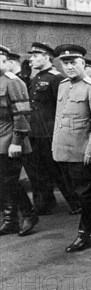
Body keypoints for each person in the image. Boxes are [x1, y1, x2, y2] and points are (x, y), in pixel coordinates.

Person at [52, 44, 91, 253]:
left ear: (83, 63)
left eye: (73, 62)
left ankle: (83, 235)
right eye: (65, 63)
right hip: (63, 150)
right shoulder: (63, 85)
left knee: (85, 195)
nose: (69, 67)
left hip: (83, 152)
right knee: (78, 195)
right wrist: (55, 146)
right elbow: (60, 119)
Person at [24, 42, 80, 216]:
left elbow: (63, 107)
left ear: (46, 57)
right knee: (38, 171)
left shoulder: (56, 78)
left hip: (50, 133)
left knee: (59, 171)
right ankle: (45, 203)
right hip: (35, 133)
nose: (31, 59)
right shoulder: (37, 78)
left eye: (35, 55)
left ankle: (76, 203)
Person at [0, 45, 37, 237]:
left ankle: (29, 214)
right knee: (3, 182)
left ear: (5, 61)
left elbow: (22, 115)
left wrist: (16, 142)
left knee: (10, 180)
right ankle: (10, 220)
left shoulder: (13, 82)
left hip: (10, 138)